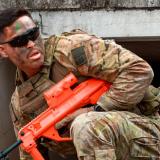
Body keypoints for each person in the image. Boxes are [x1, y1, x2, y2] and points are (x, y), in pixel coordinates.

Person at [0, 7, 160, 160]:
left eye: (33, 34)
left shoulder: (71, 50)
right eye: (20, 41)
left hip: (149, 129)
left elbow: (139, 71)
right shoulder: (20, 105)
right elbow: (29, 151)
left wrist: (96, 109)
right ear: (2, 50)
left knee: (85, 125)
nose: (31, 44)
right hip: (110, 147)